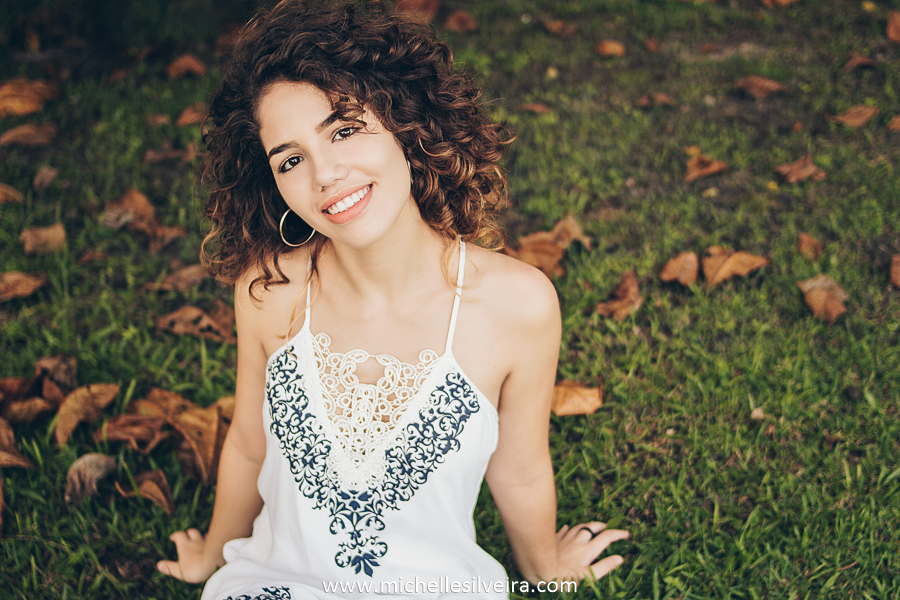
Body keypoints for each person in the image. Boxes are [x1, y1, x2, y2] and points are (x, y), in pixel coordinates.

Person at [157, 1, 629, 598]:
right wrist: (213, 557)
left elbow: (522, 468)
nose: (324, 174)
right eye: (291, 159)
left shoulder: (519, 306)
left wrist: (545, 573)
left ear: (406, 124)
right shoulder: (270, 291)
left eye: (345, 130)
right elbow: (251, 443)